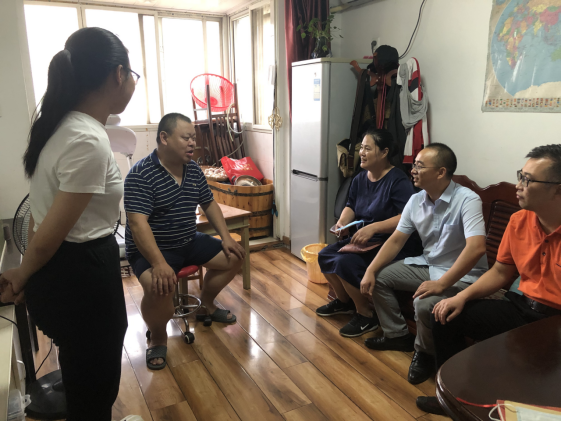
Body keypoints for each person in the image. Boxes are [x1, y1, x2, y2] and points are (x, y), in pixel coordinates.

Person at [0, 28, 138, 420]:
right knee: (95, 387)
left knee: (83, 375)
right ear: (117, 75)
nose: (132, 82)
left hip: (67, 272)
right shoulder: (87, 140)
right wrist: (23, 275)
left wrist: (29, 274)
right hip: (81, 274)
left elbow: (42, 217)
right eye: (132, 74)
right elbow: (51, 234)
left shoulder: (63, 127)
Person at [417, 145, 561, 415]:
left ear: (558, 189)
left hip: (556, 322)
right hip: (521, 307)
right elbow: (500, 272)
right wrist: (460, 297)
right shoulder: (519, 221)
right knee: (445, 314)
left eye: (528, 180)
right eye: (520, 176)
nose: (519, 186)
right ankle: (453, 398)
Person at [124, 112, 245, 370]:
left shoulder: (193, 170)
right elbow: (137, 224)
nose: (192, 143)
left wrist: (225, 237)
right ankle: (158, 336)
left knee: (235, 256)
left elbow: (209, 203)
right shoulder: (141, 174)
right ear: (164, 138)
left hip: (187, 240)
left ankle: (207, 305)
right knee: (159, 286)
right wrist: (158, 263)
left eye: (193, 138)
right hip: (153, 249)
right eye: (185, 138)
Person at [361, 143, 488, 385]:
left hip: (463, 274)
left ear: (441, 172)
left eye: (419, 166)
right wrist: (370, 270)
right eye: (414, 165)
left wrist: (442, 284)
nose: (413, 170)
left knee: (424, 303)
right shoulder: (416, 200)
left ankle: (424, 353)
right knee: (380, 277)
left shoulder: (467, 199)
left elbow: (476, 248)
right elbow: (396, 240)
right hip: (429, 265)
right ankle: (397, 335)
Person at [315, 127, 422, 337]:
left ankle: (366, 315)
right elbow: (351, 205)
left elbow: (406, 217)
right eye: (361, 148)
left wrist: (374, 227)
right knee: (325, 255)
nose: (361, 153)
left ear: (384, 152)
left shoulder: (398, 181)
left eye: (367, 148)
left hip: (391, 243)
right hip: (364, 241)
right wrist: (342, 223)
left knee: (345, 262)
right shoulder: (360, 178)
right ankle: (344, 302)